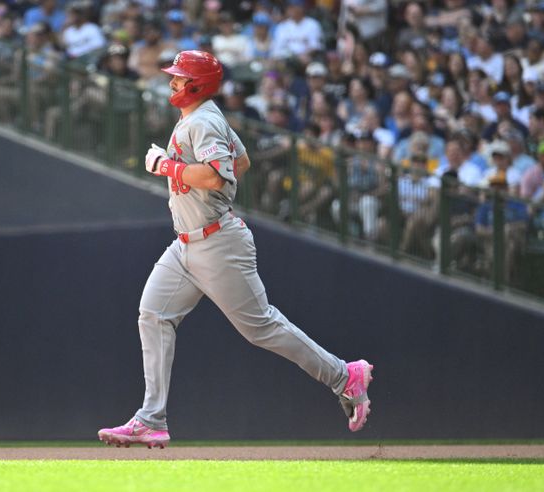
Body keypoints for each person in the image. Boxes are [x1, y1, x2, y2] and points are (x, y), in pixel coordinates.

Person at [97, 51, 373, 448]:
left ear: (197, 83)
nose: (172, 82)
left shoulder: (205, 119)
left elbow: (216, 175)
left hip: (216, 241)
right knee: (153, 314)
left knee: (260, 326)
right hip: (187, 243)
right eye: (174, 76)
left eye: (179, 77)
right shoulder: (202, 115)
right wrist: (187, 171)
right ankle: (150, 419)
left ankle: (344, 376)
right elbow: (240, 161)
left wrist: (166, 166)